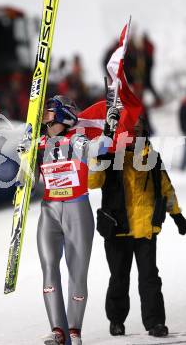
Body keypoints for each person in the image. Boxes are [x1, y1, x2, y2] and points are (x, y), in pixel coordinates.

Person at [88, 115, 186, 338]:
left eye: (139, 125)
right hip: (117, 229)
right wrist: (100, 154)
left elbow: (165, 188)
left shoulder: (152, 157)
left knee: (150, 277)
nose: (135, 128)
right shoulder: (110, 157)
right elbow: (92, 182)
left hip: (145, 229)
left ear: (143, 130)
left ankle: (155, 323)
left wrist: (177, 215)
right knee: (119, 278)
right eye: (131, 126)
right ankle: (116, 321)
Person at [36, 95, 120, 345]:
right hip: (49, 210)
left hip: (76, 209)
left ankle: (74, 330)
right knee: (49, 268)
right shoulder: (37, 144)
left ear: (64, 117)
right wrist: (22, 157)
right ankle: (58, 330)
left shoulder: (79, 140)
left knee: (77, 273)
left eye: (49, 115)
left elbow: (101, 148)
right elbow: (24, 179)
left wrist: (110, 127)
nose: (45, 121)